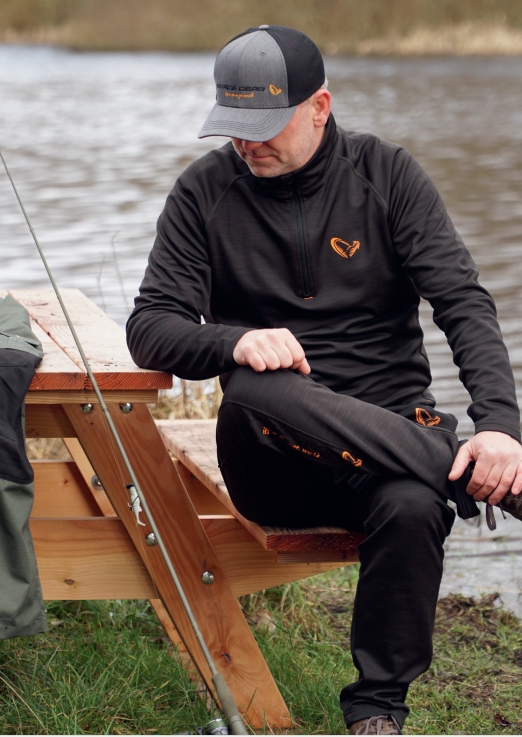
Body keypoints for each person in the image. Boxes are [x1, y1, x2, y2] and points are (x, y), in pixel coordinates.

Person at [127, 25, 522, 735]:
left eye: (264, 126)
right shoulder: (203, 193)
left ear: (319, 106)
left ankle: (376, 710)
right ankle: (465, 473)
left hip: (388, 450)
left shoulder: (388, 175)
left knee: (413, 503)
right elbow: (149, 326)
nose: (247, 143)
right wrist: (233, 339)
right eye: (233, 126)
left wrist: (498, 425)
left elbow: (463, 303)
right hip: (273, 460)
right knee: (254, 385)